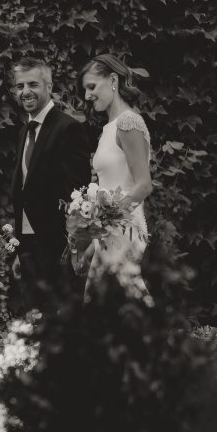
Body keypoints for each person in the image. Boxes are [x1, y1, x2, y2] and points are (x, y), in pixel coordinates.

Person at [9, 56, 92, 309]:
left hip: (57, 249)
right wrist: (21, 249)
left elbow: (78, 193)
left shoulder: (68, 128)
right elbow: (25, 190)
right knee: (33, 323)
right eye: (20, 86)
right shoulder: (25, 131)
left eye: (33, 84)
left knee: (60, 322)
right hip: (28, 246)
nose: (25, 92)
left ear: (49, 86)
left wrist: (72, 249)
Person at [78, 53, 153, 281]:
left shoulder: (128, 122)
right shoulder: (108, 129)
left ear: (113, 80)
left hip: (125, 230)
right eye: (85, 90)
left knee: (122, 301)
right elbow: (110, 187)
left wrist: (104, 223)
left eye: (92, 87)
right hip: (110, 232)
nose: (87, 95)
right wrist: (92, 246)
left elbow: (143, 186)